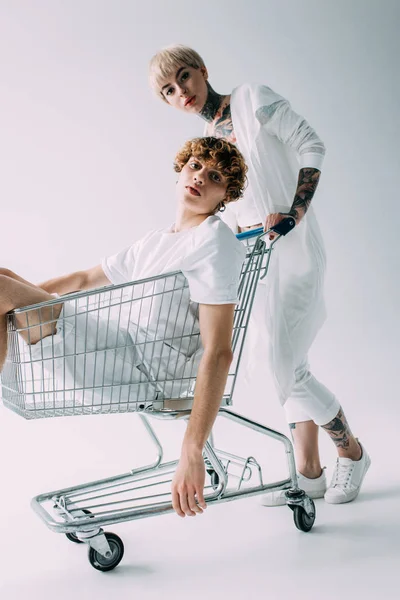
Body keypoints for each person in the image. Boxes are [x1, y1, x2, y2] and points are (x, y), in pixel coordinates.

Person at [148, 45, 371, 505]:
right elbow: (226, 210)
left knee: (284, 367)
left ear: (203, 72)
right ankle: (308, 473)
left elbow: (312, 144)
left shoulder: (252, 99)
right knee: (284, 365)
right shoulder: (210, 145)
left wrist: (294, 212)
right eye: (168, 90)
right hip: (256, 264)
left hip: (295, 252)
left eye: (184, 77)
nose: (180, 92)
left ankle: (350, 452)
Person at [0, 136, 247, 517]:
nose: (199, 177)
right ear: (181, 170)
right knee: (4, 280)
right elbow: (82, 278)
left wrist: (191, 449)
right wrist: (21, 297)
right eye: (195, 166)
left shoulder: (215, 241)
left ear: (225, 194)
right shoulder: (157, 240)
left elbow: (219, 350)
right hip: (115, 349)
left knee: (2, 289)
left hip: (142, 375)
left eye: (214, 176)